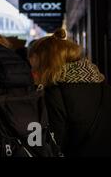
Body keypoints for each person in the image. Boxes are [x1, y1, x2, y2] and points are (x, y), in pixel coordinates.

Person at [28, 28, 111, 156]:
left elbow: (48, 145)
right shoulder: (101, 83)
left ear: (48, 65)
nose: (32, 73)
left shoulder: (54, 93)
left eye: (35, 67)